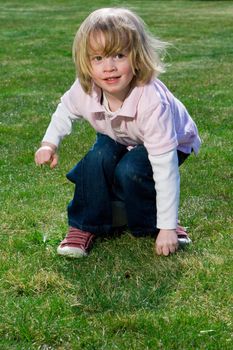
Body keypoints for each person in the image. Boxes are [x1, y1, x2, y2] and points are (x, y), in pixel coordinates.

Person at [35, 7, 201, 258]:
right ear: (86, 63)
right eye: (98, 58)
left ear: (137, 57)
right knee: (97, 159)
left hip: (170, 142)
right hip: (120, 133)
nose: (108, 67)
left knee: (131, 170)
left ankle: (154, 222)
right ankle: (84, 225)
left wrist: (166, 227)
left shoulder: (152, 102)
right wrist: (49, 144)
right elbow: (65, 111)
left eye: (119, 55)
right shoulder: (86, 87)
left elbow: (165, 168)